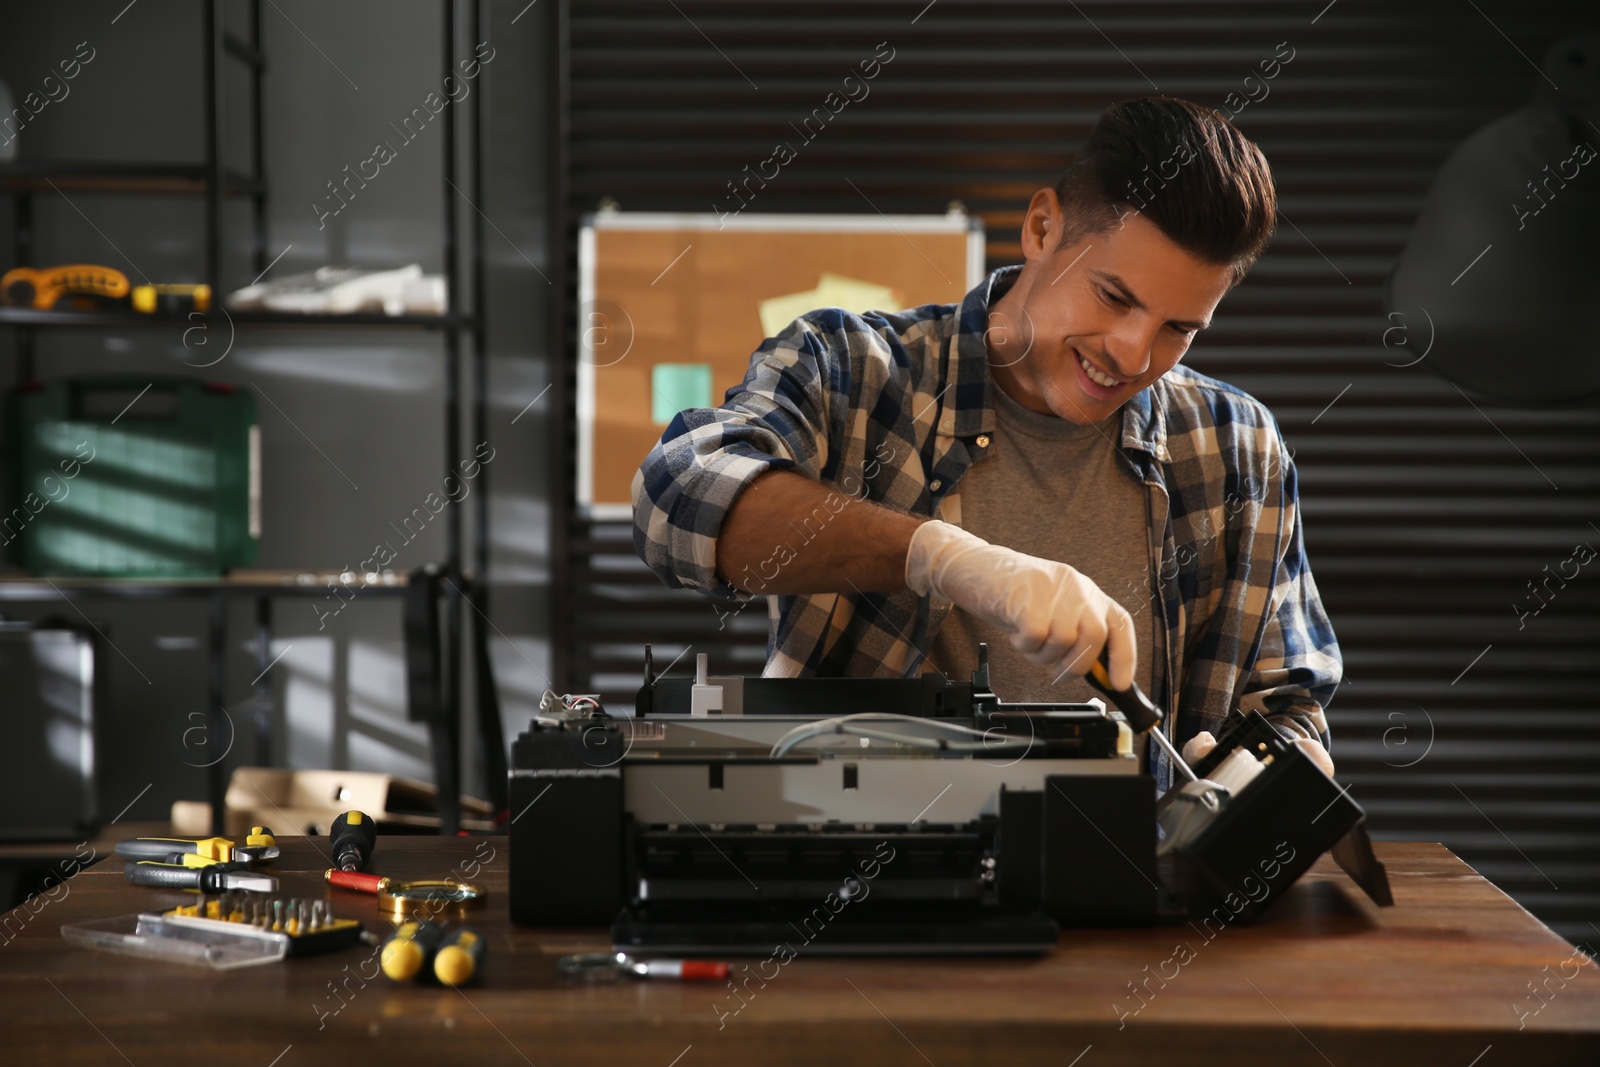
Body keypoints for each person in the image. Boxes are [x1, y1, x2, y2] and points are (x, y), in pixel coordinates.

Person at [631, 96, 1340, 793]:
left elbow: (1288, 706)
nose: (1131, 352)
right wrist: (943, 558)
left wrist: (1279, 767)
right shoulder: (850, 369)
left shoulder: (1238, 446)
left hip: (1134, 896)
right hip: (863, 887)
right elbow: (674, 500)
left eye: (1178, 329)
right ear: (1041, 227)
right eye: (1113, 297)